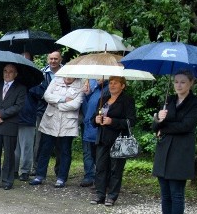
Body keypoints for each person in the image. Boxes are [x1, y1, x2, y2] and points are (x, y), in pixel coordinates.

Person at [150, 70, 197, 214]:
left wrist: (163, 128)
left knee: (176, 193)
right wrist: (158, 118)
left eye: (182, 82)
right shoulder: (169, 100)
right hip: (164, 150)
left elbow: (186, 126)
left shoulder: (196, 103)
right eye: (176, 82)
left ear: (191, 83)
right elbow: (154, 127)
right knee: (165, 193)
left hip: (181, 152)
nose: (178, 85)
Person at [29, 76, 83, 187]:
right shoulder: (56, 80)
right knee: (44, 149)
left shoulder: (80, 84)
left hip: (67, 123)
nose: (68, 77)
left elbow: (75, 104)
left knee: (65, 151)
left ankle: (61, 178)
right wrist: (63, 100)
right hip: (51, 121)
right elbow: (47, 96)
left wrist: (56, 104)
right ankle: (40, 175)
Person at [91, 76, 135, 207]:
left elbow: (131, 121)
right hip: (103, 138)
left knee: (116, 169)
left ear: (123, 86)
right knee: (100, 167)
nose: (112, 85)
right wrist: (96, 120)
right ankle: (100, 194)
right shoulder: (103, 100)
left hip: (119, 140)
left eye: (116, 83)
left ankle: (112, 196)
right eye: (110, 83)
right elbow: (93, 119)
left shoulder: (127, 100)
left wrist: (113, 121)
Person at [0, 64, 26, 190]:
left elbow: (18, 106)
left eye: (11, 72)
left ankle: (7, 180)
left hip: (9, 125)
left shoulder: (20, 88)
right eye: (5, 71)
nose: (7, 74)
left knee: (9, 154)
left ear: (16, 74)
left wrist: (1, 114)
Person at [79, 79, 103, 187]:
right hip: (88, 123)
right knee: (87, 152)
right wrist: (87, 94)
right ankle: (89, 175)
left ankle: (100, 177)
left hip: (100, 126)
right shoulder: (91, 83)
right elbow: (87, 105)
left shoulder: (107, 89)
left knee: (100, 153)